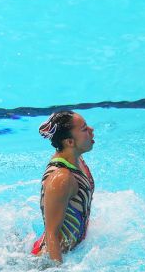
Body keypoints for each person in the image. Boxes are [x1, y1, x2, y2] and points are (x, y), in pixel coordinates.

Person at [31, 110, 96, 264]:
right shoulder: (62, 179)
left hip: (73, 250)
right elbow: (51, 234)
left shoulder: (76, 159)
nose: (91, 130)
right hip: (48, 261)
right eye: (84, 128)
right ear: (70, 142)